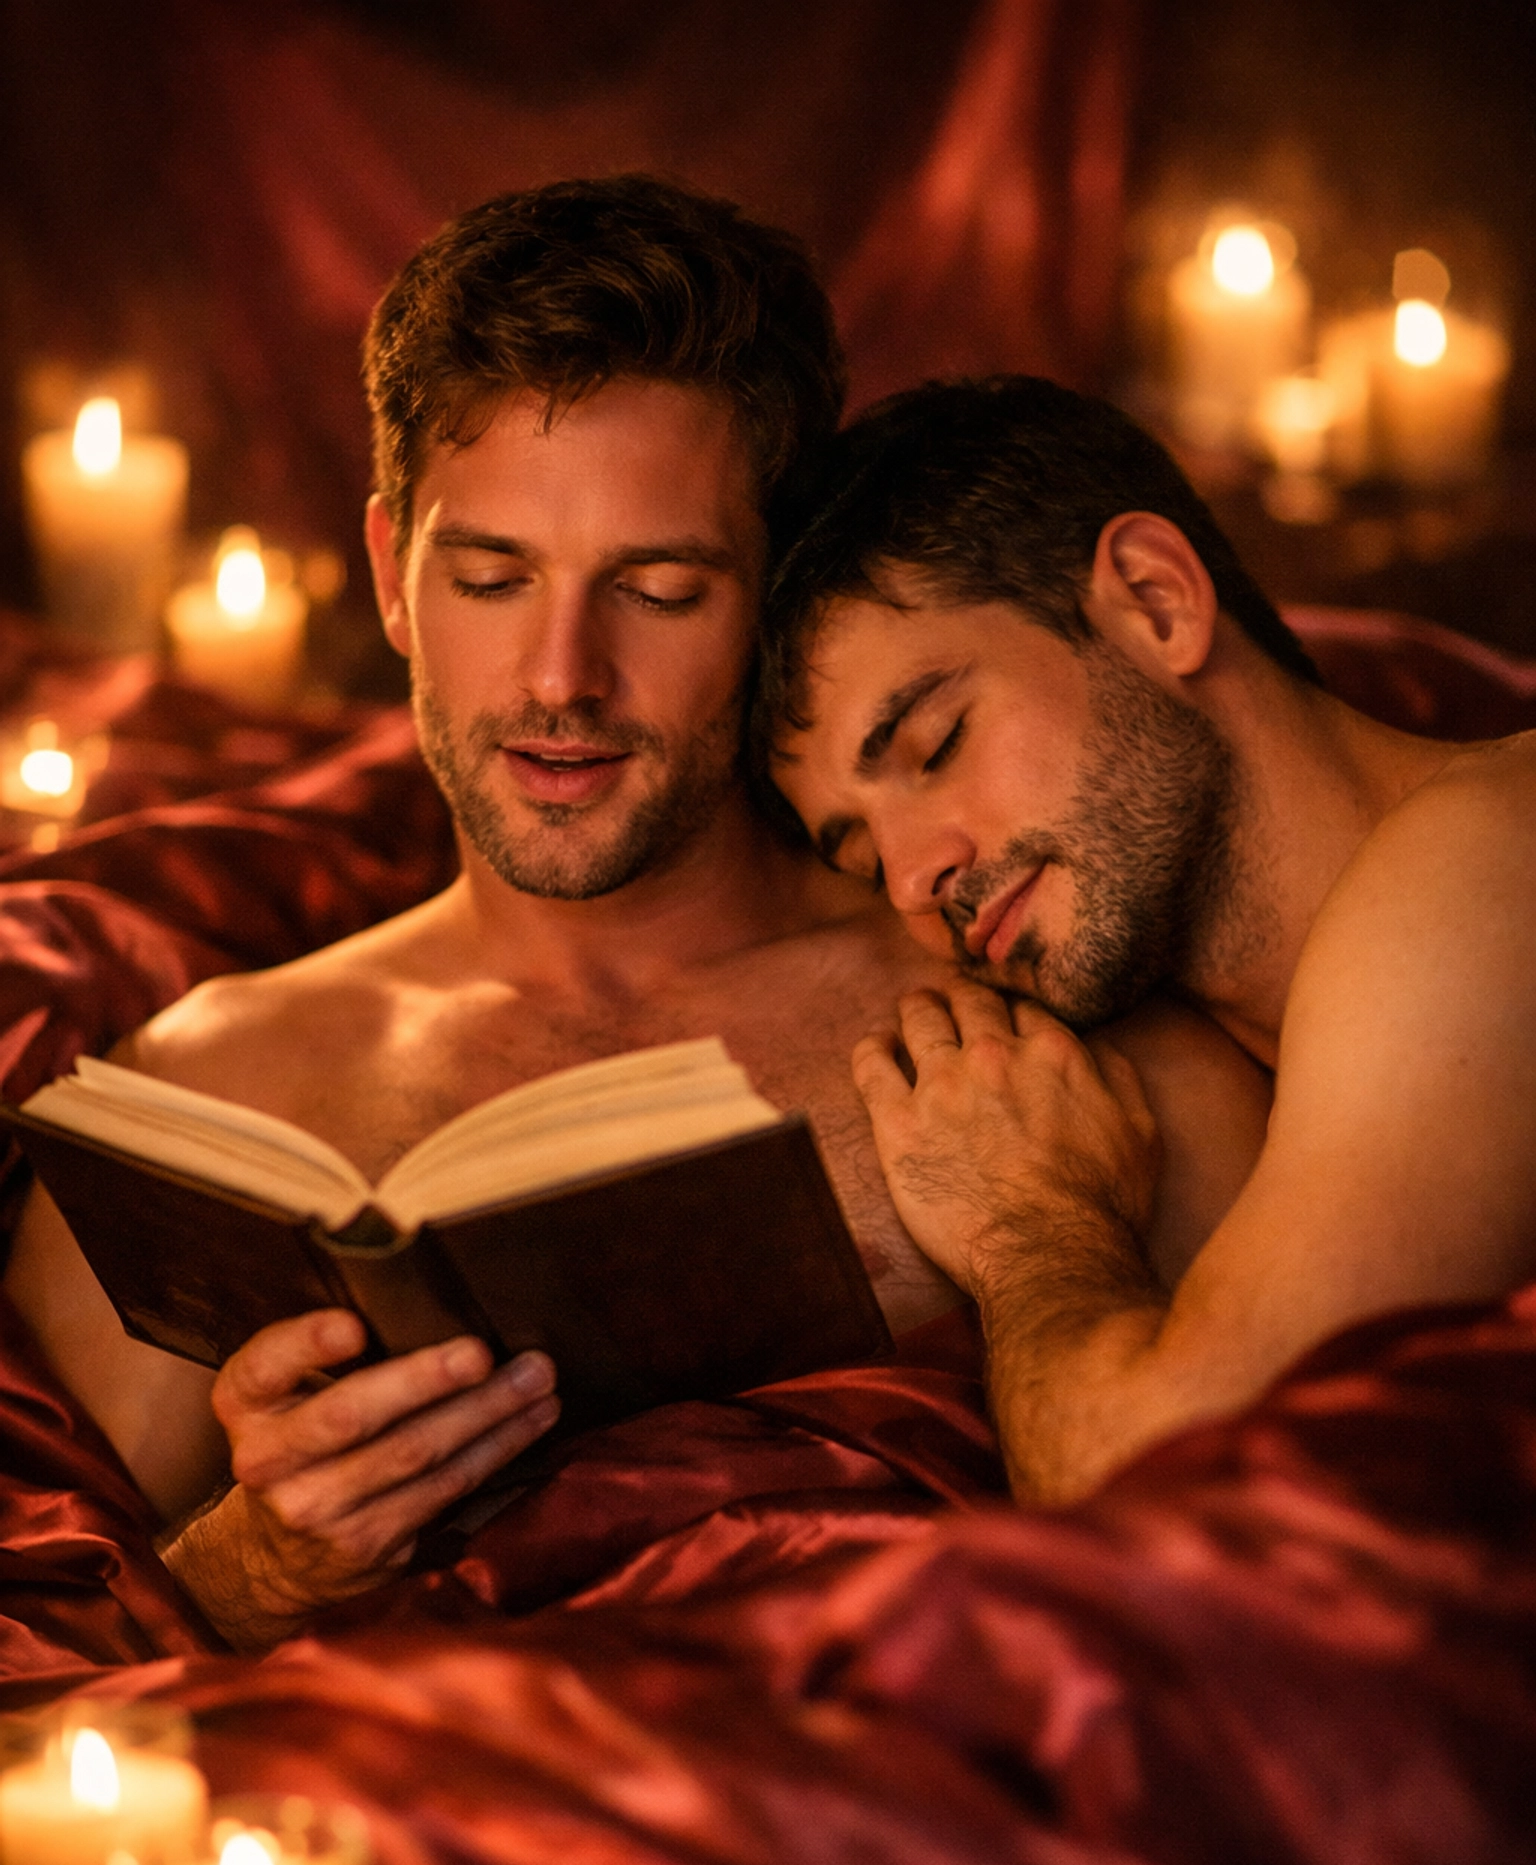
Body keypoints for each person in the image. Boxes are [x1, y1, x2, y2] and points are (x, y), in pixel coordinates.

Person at [3, 191, 1267, 1650]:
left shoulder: (1034, 1005)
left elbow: (1295, 1557)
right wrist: (257, 1568)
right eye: (488, 580)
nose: (560, 678)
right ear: (389, 577)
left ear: (775, 597)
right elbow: (47, 1687)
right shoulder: (204, 1099)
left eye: (659, 591)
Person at [761, 373, 1536, 1508]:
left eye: (935, 745)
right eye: (863, 859)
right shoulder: (1217, 1068)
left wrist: (1028, 1228)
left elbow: (1176, 1503)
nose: (919, 881)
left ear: (1156, 600)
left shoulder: (1479, 864)